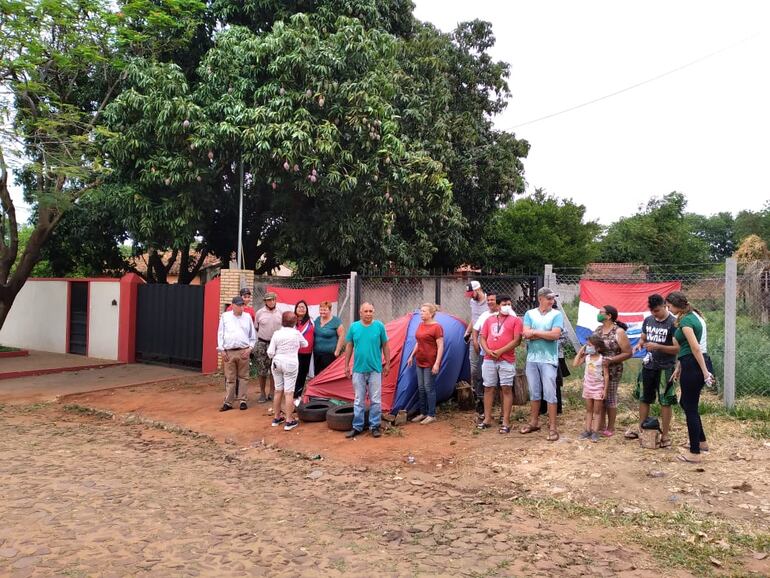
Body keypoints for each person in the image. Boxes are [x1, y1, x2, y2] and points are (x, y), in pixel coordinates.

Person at [666, 291, 714, 463]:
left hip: (694, 365)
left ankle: (695, 453)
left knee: (690, 407)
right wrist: (679, 367)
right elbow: (687, 347)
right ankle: (701, 442)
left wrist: (705, 372)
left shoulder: (686, 321)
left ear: (676, 305)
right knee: (686, 403)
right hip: (691, 363)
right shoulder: (693, 316)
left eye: (669, 306)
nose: (668, 309)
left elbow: (695, 347)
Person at [627, 294, 679, 447]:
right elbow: (643, 337)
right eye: (652, 311)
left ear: (664, 306)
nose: (655, 314)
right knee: (644, 398)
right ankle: (642, 429)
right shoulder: (648, 320)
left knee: (665, 401)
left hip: (666, 367)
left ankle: (665, 435)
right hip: (648, 365)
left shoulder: (673, 323)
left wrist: (658, 346)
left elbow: (677, 348)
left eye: (657, 311)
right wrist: (639, 344)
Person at [521, 287, 564, 441]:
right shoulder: (530, 314)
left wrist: (534, 332)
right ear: (540, 299)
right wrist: (543, 334)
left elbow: (555, 335)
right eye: (549, 298)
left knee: (550, 392)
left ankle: (553, 427)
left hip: (549, 359)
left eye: (553, 298)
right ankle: (534, 422)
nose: (552, 301)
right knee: (534, 391)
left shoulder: (557, 314)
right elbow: (525, 334)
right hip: (532, 359)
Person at [343, 303, 390, 438]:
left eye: (370, 311)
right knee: (359, 399)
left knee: (376, 400)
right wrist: (346, 365)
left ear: (373, 312)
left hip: (375, 369)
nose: (368, 314)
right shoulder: (354, 327)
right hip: (358, 369)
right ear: (360, 313)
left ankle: (375, 426)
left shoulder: (379, 326)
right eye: (366, 311)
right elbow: (349, 346)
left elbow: (385, 345)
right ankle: (357, 426)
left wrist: (388, 363)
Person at [478, 295, 523, 434]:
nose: (507, 306)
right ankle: (487, 419)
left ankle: (506, 421)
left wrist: (500, 351)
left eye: (509, 304)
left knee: (506, 389)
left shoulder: (516, 320)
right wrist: (488, 351)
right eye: (504, 304)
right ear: (498, 306)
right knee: (488, 388)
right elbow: (482, 338)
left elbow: (517, 340)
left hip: (506, 359)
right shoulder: (489, 320)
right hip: (489, 358)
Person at [593, 304, 632, 436]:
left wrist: (611, 360)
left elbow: (628, 353)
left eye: (601, 312)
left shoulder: (618, 332)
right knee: (600, 397)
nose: (599, 314)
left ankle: (610, 427)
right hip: (598, 370)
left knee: (610, 398)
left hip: (613, 370)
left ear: (609, 316)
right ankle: (601, 424)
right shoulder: (598, 330)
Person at [267, 311, 308, 431]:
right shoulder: (296, 333)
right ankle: (289, 420)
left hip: (277, 362)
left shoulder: (277, 333)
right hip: (290, 363)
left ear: (282, 321)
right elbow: (305, 344)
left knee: (278, 390)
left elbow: (270, 352)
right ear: (294, 322)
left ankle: (276, 418)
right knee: (289, 393)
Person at [406, 303, 445, 425]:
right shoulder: (420, 325)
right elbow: (418, 342)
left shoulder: (437, 327)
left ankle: (431, 414)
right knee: (421, 388)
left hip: (430, 362)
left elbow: (440, 346)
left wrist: (437, 363)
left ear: (431, 313)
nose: (421, 313)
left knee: (429, 388)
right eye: (421, 311)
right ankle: (423, 413)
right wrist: (411, 356)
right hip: (420, 361)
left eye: (424, 311)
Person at [216, 296, 256, 411]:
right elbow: (220, 333)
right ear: (233, 306)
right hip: (229, 352)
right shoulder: (225, 317)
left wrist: (249, 349)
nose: (241, 307)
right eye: (239, 305)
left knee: (243, 377)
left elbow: (252, 335)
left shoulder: (247, 317)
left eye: (242, 305)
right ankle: (228, 401)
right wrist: (222, 350)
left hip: (243, 351)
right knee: (230, 378)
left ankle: (242, 400)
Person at [573, 334, 610, 443]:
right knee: (589, 410)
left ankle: (595, 432)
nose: (587, 347)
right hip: (588, 387)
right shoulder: (587, 357)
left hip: (598, 388)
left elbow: (606, 375)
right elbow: (575, 364)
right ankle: (587, 430)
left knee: (597, 411)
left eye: (589, 345)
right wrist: (581, 351)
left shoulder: (602, 359)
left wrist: (605, 390)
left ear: (597, 348)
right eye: (587, 345)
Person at [471, 291, 498, 418]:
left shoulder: (506, 314)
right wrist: (475, 342)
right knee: (480, 377)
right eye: (488, 300)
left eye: (493, 300)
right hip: (484, 353)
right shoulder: (484, 315)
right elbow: (475, 329)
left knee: (501, 383)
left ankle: (501, 412)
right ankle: (481, 405)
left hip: (501, 355)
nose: (490, 302)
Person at [254, 291, 283, 403]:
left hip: (276, 345)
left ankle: (272, 392)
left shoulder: (280, 312)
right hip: (262, 344)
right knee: (262, 370)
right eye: (268, 300)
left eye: (273, 299)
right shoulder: (259, 313)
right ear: (265, 301)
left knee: (274, 369)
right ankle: (262, 393)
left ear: (275, 300)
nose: (271, 302)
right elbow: (256, 327)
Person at [464, 281, 487, 415]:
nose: (471, 296)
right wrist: (468, 333)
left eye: (472, 293)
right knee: (473, 370)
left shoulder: (489, 302)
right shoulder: (473, 302)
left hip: (486, 339)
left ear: (478, 290)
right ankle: (478, 396)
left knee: (482, 370)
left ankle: (485, 398)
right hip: (474, 337)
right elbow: (474, 319)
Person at [313, 300, 345, 375]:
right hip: (317, 354)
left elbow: (341, 336)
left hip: (330, 354)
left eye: (325, 310)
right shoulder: (317, 319)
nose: (322, 312)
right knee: (317, 375)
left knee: (327, 375)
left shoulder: (336, 321)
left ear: (330, 310)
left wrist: (337, 351)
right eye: (321, 310)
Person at [293, 300, 314, 402]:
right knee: (293, 375)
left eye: (303, 307)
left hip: (307, 353)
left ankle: (297, 396)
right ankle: (291, 395)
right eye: (299, 307)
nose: (301, 309)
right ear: (295, 309)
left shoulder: (311, 321)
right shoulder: (292, 321)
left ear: (306, 309)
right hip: (294, 353)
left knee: (302, 375)